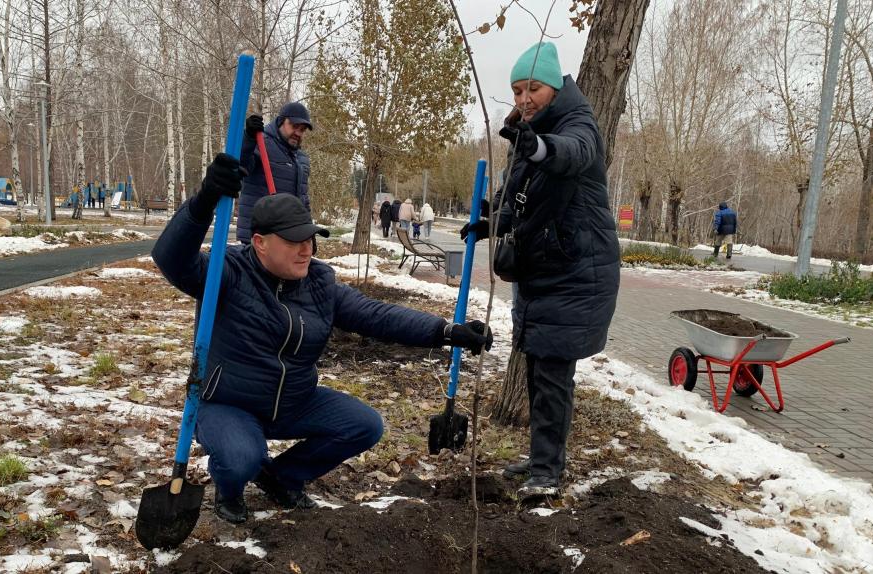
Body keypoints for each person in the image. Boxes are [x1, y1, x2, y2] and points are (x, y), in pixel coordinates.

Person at [152, 154, 493, 524]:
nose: (307, 249)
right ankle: (230, 491)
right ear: (260, 243)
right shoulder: (226, 271)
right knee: (240, 459)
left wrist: (444, 331)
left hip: (295, 401)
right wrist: (204, 199)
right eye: (295, 241)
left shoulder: (318, 282)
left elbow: (374, 314)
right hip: (229, 404)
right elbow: (170, 257)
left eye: (311, 239)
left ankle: (282, 477)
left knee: (364, 424)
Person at [461, 41, 620, 499]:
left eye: (532, 88)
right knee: (537, 370)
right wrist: (493, 221)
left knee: (552, 374)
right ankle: (541, 458)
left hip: (575, 273)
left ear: (553, 87)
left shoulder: (576, 122)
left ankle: (548, 472)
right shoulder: (525, 129)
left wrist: (538, 147)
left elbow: (573, 153)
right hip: (544, 270)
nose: (523, 99)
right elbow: (518, 194)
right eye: (516, 91)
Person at [235, 102, 314, 244]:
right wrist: (248, 138)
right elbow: (241, 166)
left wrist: (309, 233)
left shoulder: (301, 159)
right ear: (280, 121)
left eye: (302, 130)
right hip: (260, 236)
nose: (298, 133)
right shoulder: (261, 143)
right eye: (294, 126)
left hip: (287, 236)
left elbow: (303, 199)